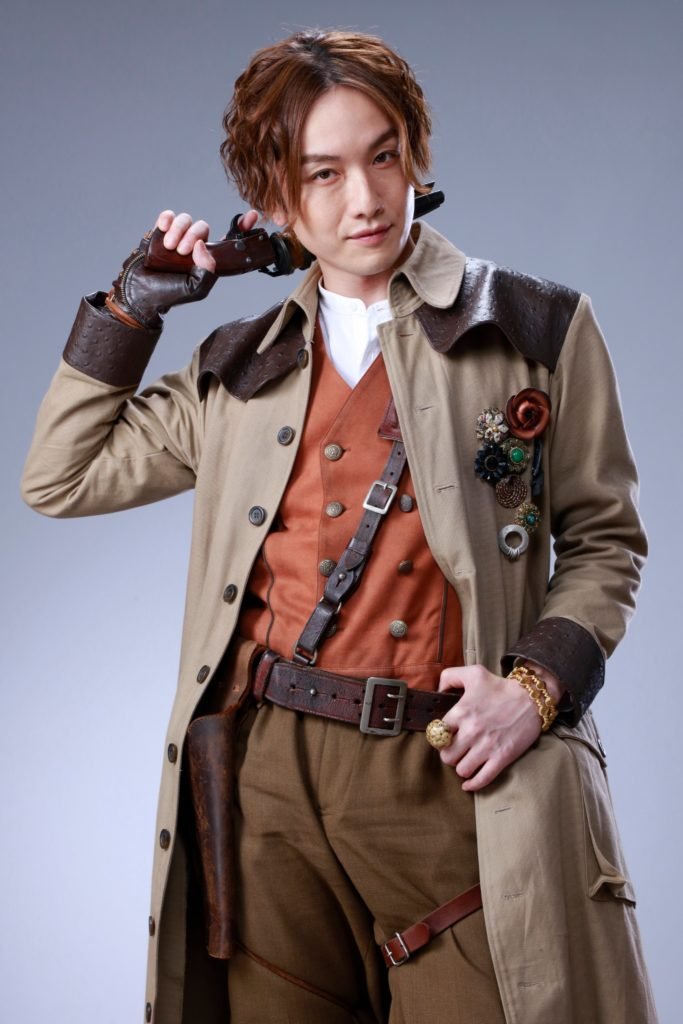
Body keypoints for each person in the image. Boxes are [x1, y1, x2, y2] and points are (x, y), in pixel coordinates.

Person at [21, 28, 657, 1024]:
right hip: (268, 779)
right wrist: (133, 307)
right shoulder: (238, 365)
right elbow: (61, 477)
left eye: (383, 156)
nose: (364, 198)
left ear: (416, 158)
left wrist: (533, 691)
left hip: (448, 766)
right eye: (322, 173)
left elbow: (604, 540)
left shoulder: (534, 328)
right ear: (271, 202)